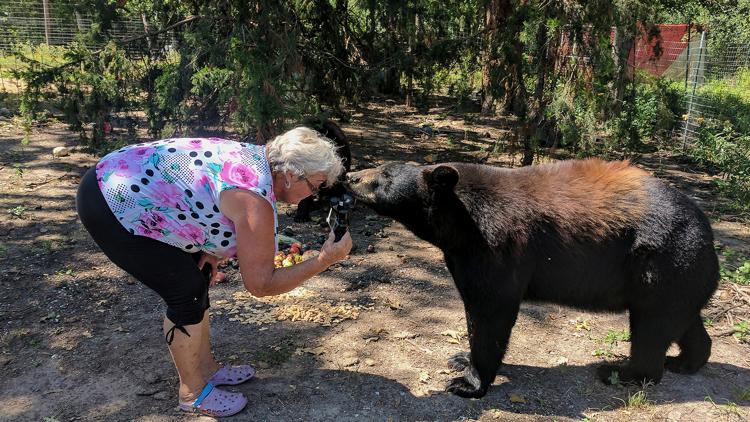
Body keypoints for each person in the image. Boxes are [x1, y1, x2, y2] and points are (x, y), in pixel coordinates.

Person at [76, 127, 353, 417]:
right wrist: (323, 260)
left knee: (199, 277)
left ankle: (207, 369)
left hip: (119, 177)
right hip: (111, 201)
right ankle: (192, 393)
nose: (314, 194)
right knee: (186, 292)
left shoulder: (259, 160)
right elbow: (260, 285)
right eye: (315, 185)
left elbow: (206, 193)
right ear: (291, 175)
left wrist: (212, 247)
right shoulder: (254, 197)